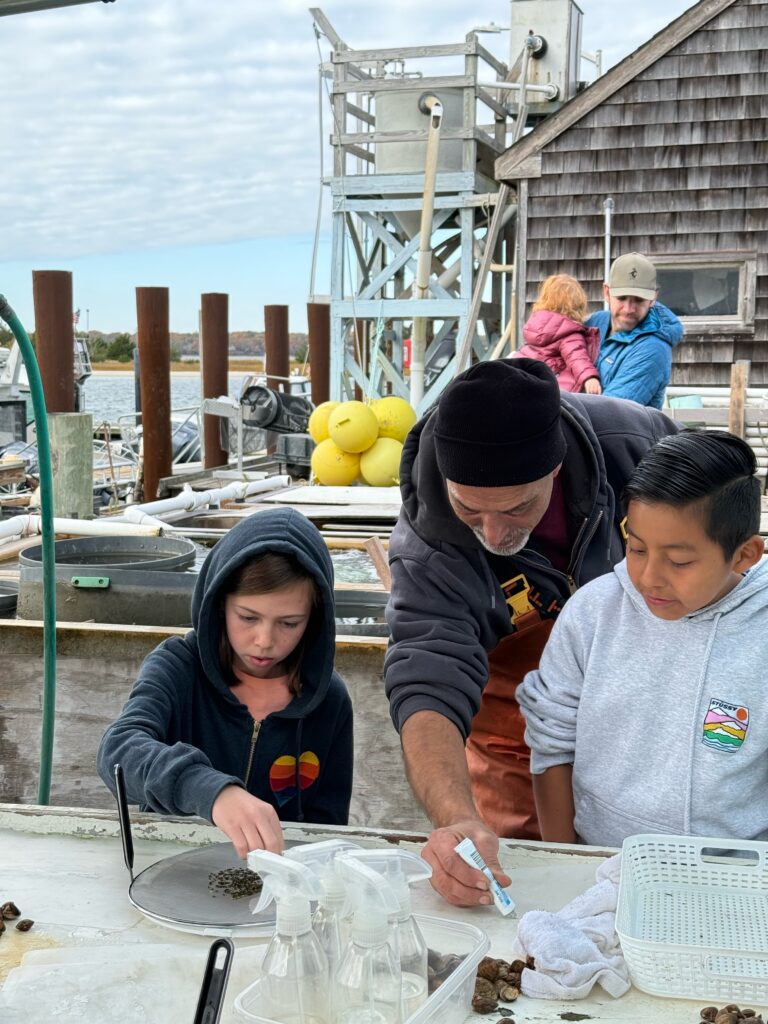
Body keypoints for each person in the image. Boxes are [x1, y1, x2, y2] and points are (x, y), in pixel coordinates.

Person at [384, 357, 677, 905]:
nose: (494, 533)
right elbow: (427, 677)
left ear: (557, 468)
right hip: (511, 741)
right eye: (470, 509)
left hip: (647, 709)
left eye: (519, 508)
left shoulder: (637, 444)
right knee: (528, 887)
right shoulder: (429, 546)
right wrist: (455, 818)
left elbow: (717, 523)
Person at [517, 430, 767, 845]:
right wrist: (566, 863)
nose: (649, 577)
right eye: (636, 548)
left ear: (744, 555)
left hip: (734, 883)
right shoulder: (593, 614)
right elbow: (551, 745)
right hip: (604, 869)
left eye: (679, 561)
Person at [97, 507, 353, 857]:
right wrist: (210, 791)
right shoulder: (177, 667)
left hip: (275, 888)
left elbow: (327, 827)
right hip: (168, 866)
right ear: (219, 604)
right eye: (248, 617)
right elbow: (118, 750)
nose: (265, 640)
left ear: (315, 619)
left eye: (289, 623)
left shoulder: (330, 701)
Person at [586, 252, 684, 409]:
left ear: (653, 298)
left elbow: (606, 412)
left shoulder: (653, 350)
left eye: (638, 300)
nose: (629, 309)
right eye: (622, 298)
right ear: (606, 292)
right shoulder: (594, 324)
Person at [514, 273, 602, 395]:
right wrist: (589, 377)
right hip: (551, 390)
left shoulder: (535, 323)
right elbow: (577, 357)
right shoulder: (569, 332)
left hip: (522, 378)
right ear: (577, 305)